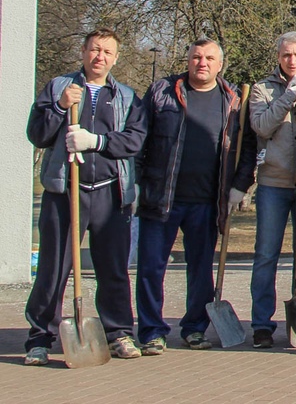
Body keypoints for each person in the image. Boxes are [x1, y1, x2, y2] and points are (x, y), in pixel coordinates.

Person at [24, 29, 148, 366]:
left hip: (110, 193)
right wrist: (60, 108)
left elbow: (134, 141)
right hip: (66, 192)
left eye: (107, 52)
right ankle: (40, 337)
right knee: (53, 268)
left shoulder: (125, 96)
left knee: (114, 269)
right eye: (95, 50)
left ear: (116, 58)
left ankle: (118, 332)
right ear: (82, 52)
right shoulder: (59, 88)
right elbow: (37, 134)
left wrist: (95, 142)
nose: (100, 57)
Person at [136, 38, 251, 355]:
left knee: (201, 269)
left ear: (220, 64)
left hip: (207, 201)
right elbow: (138, 139)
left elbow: (246, 149)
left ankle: (194, 328)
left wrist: (240, 186)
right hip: (161, 198)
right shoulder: (163, 93)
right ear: (188, 60)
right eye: (197, 57)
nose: (202, 62)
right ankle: (151, 331)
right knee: (151, 267)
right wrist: (135, 182)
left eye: (209, 58)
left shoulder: (232, 100)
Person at [236, 31, 296, 349]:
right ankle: (262, 324)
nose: (292, 60)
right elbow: (261, 126)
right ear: (278, 56)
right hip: (273, 184)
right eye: (286, 55)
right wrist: (289, 95)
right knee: (266, 255)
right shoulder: (263, 89)